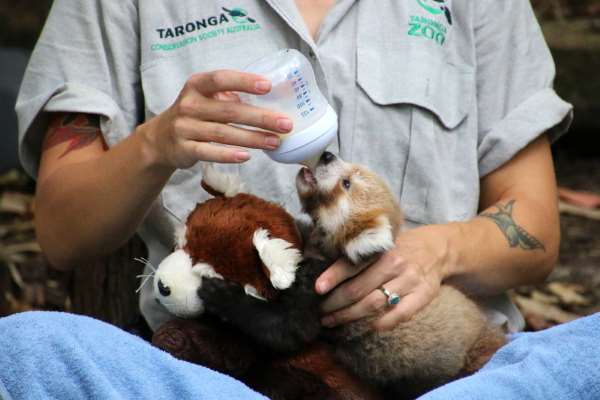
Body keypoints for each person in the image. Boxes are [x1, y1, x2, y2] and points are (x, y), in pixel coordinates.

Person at [17, 0, 570, 348]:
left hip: (447, 368)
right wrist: (154, 145)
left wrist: (436, 253)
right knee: (26, 347)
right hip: (223, 368)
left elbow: (537, 235)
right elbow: (63, 236)